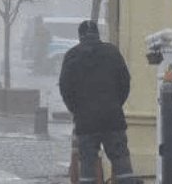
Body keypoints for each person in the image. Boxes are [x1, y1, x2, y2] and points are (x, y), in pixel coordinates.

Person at [58, 19, 136, 184]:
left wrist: (76, 110)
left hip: (85, 121)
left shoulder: (72, 55)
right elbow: (125, 83)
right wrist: (115, 103)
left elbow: (65, 89)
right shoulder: (113, 52)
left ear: (80, 36)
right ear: (98, 35)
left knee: (87, 166)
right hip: (113, 118)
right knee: (122, 162)